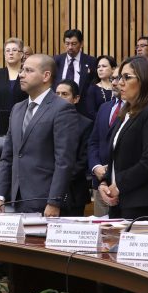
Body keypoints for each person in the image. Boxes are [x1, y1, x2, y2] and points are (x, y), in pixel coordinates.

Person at [0, 54, 78, 216]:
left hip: (46, 201)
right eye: (22, 70)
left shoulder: (62, 109)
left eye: (28, 70)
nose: (21, 74)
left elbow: (64, 161)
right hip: (17, 198)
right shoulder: (17, 108)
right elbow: (8, 156)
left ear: (46, 76)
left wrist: (54, 201)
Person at [99, 56, 148, 219]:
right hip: (120, 201)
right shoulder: (125, 113)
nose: (119, 83)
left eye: (127, 77)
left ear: (145, 80)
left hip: (144, 202)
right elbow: (118, 158)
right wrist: (104, 182)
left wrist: (119, 186)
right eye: (118, 77)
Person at [55, 80, 93, 216]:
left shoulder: (85, 124)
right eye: (57, 94)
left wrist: (59, 178)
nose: (59, 98)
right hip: (45, 189)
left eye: (64, 94)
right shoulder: (46, 120)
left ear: (76, 99)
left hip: (73, 191)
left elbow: (83, 160)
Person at [88, 66, 122, 216]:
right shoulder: (104, 107)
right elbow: (94, 142)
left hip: (121, 183)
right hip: (100, 181)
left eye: (119, 78)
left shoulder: (136, 110)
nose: (114, 83)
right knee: (102, 234)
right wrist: (96, 167)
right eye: (112, 78)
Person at [0, 37, 28, 135]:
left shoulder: (26, 74)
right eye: (7, 51)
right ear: (4, 55)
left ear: (21, 54)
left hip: (23, 120)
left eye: (14, 50)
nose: (10, 53)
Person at [53, 29, 97, 118]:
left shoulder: (92, 62)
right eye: (67, 43)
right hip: (57, 110)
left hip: (83, 112)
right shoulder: (55, 61)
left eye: (74, 44)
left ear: (81, 44)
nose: (70, 47)